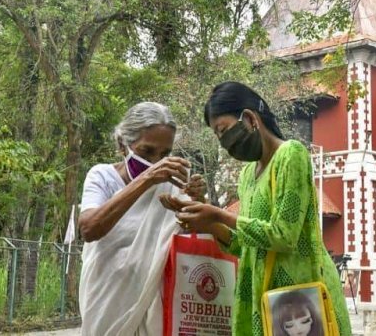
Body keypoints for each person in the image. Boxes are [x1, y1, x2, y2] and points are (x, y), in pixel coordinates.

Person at [169, 82, 351, 336]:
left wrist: (219, 214)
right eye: (217, 137)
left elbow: (284, 236)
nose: (223, 143)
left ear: (250, 118)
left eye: (223, 131)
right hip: (261, 299)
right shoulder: (247, 175)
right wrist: (206, 221)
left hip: (300, 302)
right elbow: (246, 245)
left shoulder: (291, 155)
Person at [77, 102, 206, 336]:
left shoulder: (172, 183)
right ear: (122, 145)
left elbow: (190, 242)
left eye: (164, 154)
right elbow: (89, 229)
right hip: (107, 299)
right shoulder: (102, 177)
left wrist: (197, 200)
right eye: (147, 152)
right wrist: (146, 180)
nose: (156, 161)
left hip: (153, 300)